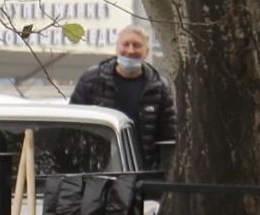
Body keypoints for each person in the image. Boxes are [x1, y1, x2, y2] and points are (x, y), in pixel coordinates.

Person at [67, 27, 178, 172]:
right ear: (117, 48)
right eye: (126, 44)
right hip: (97, 172)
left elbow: (168, 137)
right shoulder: (92, 81)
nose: (130, 51)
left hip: (142, 173)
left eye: (137, 45)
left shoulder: (159, 87)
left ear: (147, 52)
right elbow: (72, 127)